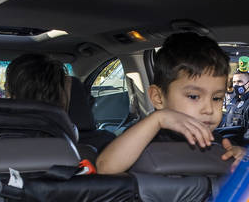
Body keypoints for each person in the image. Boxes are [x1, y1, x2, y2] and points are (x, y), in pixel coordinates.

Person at [95, 32, 233, 174]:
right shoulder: (143, 138)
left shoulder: (219, 144)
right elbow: (105, 168)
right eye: (193, 96)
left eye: (217, 98)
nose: (209, 109)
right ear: (158, 98)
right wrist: (158, 119)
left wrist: (242, 160)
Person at [218, 68, 249, 145]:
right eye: (234, 82)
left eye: (239, 81)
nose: (236, 85)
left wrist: (242, 149)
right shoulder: (234, 101)